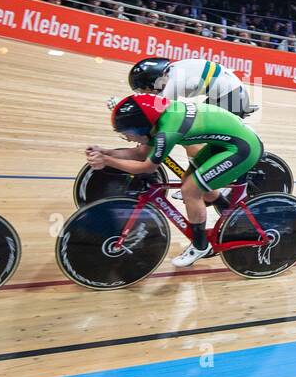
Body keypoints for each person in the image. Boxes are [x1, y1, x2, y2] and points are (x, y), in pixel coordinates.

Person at [87, 94, 262, 268]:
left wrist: (108, 161)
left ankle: (200, 246)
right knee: (191, 181)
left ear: (143, 127)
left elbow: (147, 167)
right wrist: (106, 152)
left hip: (243, 148)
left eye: (129, 134)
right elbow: (140, 153)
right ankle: (234, 218)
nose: (130, 138)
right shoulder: (158, 119)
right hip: (227, 143)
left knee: (190, 190)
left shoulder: (167, 131)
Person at [128, 57, 257, 118]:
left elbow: (160, 110)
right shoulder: (171, 71)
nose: (150, 93)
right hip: (228, 94)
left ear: (153, 81)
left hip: (231, 97)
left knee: (197, 132)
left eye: (146, 90)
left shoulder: (174, 79)